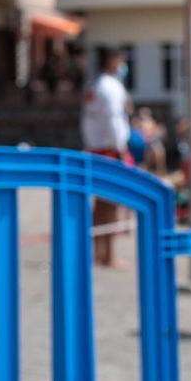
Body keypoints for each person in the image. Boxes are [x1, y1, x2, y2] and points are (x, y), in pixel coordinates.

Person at [81, 49, 133, 268]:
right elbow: (113, 119)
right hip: (110, 149)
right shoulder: (109, 87)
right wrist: (118, 147)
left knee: (101, 205)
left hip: (97, 147)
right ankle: (108, 255)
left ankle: (99, 252)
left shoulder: (95, 84)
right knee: (111, 204)